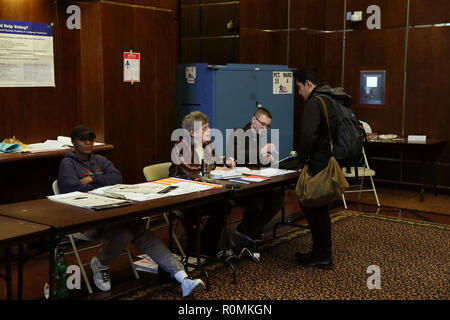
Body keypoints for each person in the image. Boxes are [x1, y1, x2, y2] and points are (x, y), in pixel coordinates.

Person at [58, 124, 205, 297]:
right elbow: (71, 188)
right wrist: (100, 181)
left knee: (137, 230)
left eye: (91, 139)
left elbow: (116, 178)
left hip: (113, 210)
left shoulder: (99, 159)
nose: (88, 143)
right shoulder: (67, 163)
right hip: (87, 218)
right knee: (127, 232)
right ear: (74, 142)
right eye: (83, 140)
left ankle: (183, 278)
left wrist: (91, 179)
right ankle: (100, 264)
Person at [294, 66, 352, 269]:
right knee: (319, 210)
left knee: (312, 207)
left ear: (308, 84)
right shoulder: (330, 99)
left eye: (299, 88)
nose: (299, 93)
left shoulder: (314, 102)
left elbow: (308, 136)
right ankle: (319, 253)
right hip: (328, 159)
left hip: (317, 163)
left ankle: (322, 255)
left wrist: (299, 160)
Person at [169, 111, 233, 257]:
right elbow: (190, 170)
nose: (209, 130)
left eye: (208, 127)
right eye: (205, 128)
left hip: (203, 190)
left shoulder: (206, 144)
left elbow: (215, 160)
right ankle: (195, 247)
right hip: (182, 193)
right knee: (194, 208)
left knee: (224, 204)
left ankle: (207, 244)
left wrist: (226, 162)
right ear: (192, 132)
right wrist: (216, 166)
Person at [226, 107, 284, 253]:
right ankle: (248, 232)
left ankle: (245, 231)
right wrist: (260, 152)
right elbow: (236, 155)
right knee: (257, 202)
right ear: (253, 120)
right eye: (263, 124)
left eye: (267, 126)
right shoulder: (238, 132)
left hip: (254, 180)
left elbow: (254, 162)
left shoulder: (258, 136)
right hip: (240, 183)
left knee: (277, 197)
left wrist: (265, 159)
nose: (265, 129)